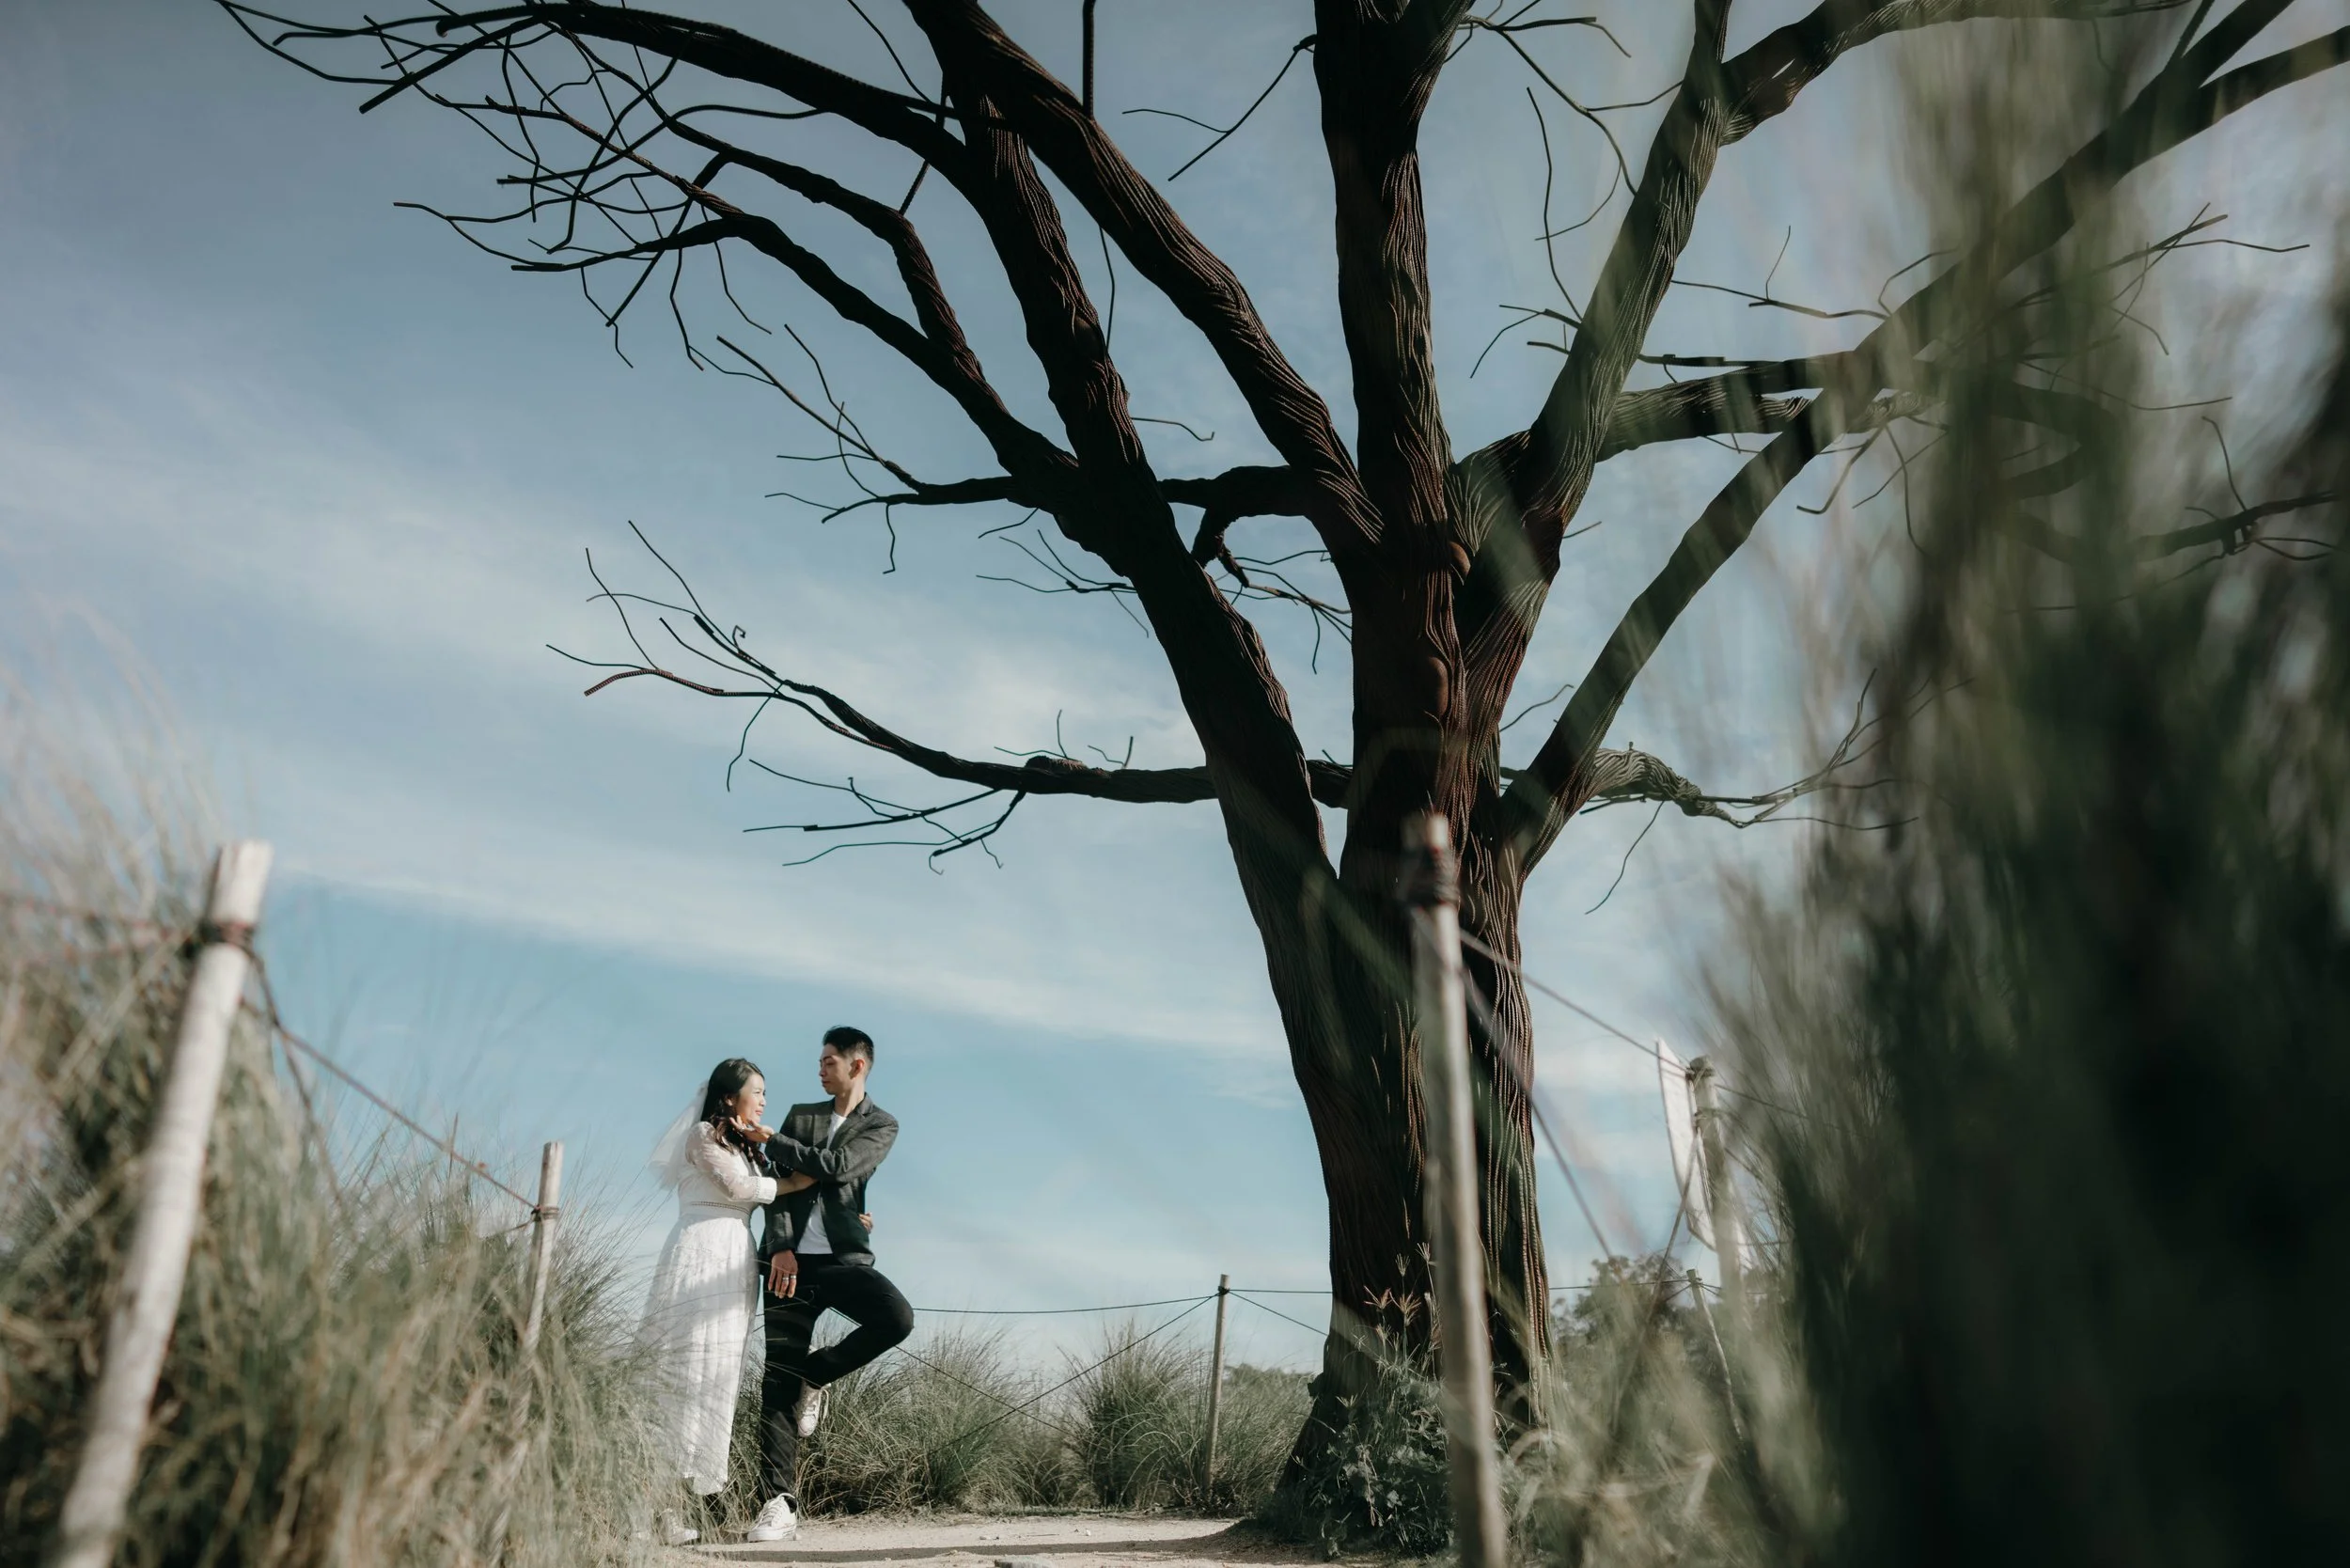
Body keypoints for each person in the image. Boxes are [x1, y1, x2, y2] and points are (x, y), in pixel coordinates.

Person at [742, 1026, 914, 1544]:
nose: (820, 1069)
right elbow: (778, 1189)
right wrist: (780, 1247)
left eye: (829, 1061)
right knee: (777, 1379)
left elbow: (841, 1169)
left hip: (842, 1261)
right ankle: (778, 1502)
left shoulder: (881, 1124)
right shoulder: (804, 1114)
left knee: (896, 1319)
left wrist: (778, 1141)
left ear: (857, 1066)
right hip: (789, 1266)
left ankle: (818, 1375)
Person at [636, 1057, 812, 1547]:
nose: (763, 1100)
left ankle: (686, 1499)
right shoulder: (701, 1137)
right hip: (700, 1250)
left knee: (716, 1373)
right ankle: (660, 1504)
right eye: (757, 1091)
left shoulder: (749, 1147)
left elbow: (760, 1184)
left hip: (736, 1257)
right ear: (730, 1096)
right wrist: (795, 1182)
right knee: (683, 1369)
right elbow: (737, 1188)